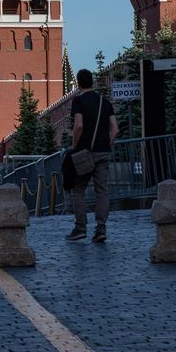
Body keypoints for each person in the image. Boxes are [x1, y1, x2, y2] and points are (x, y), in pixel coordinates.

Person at [66, 69, 120, 243]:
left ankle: (80, 228)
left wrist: (74, 145)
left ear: (79, 83)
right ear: (92, 82)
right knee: (102, 191)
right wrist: (108, 143)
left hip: (85, 152)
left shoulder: (79, 101)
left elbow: (79, 125)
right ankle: (101, 229)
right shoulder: (105, 102)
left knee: (78, 189)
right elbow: (115, 129)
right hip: (104, 151)